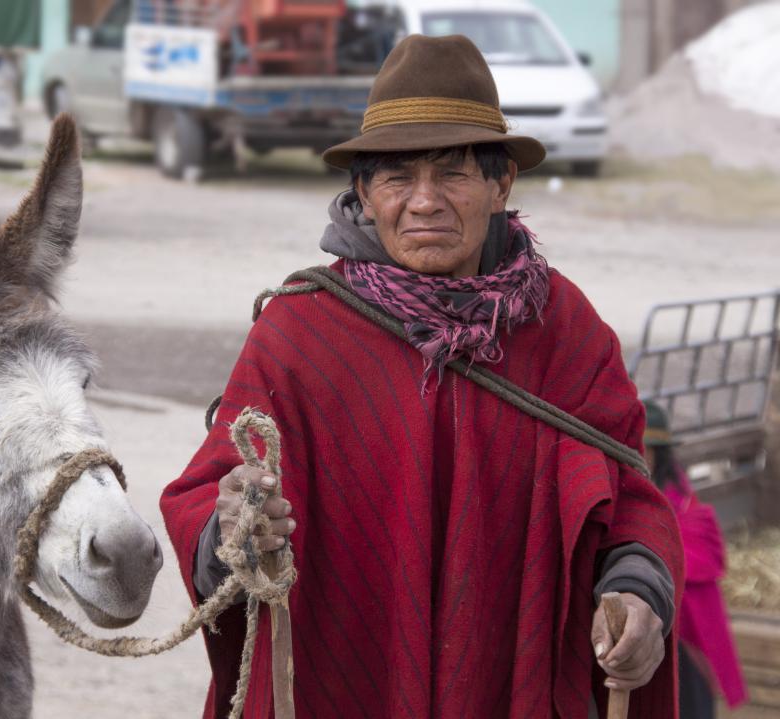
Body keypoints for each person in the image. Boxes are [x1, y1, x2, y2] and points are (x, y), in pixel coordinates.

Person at [161, 34, 684, 718]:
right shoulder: (301, 334)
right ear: (363, 191)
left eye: (453, 172)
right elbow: (203, 495)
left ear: (502, 184)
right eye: (398, 175)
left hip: (509, 687)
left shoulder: (565, 330)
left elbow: (631, 494)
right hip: (341, 686)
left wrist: (639, 589)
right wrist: (230, 530)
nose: (425, 200)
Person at [643, 401, 747, 718]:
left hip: (679, 631)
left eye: (645, 447)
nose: (637, 453)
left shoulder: (683, 503)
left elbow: (700, 558)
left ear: (659, 453)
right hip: (641, 624)